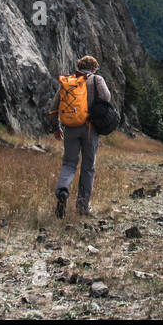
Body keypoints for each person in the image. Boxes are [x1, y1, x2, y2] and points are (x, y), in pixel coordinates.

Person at [52, 54, 111, 218]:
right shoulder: (96, 79)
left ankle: (63, 190)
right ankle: (82, 207)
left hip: (70, 128)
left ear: (79, 66)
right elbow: (106, 97)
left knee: (69, 163)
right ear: (93, 67)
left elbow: (54, 106)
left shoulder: (68, 82)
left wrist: (56, 127)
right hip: (90, 128)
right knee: (88, 167)